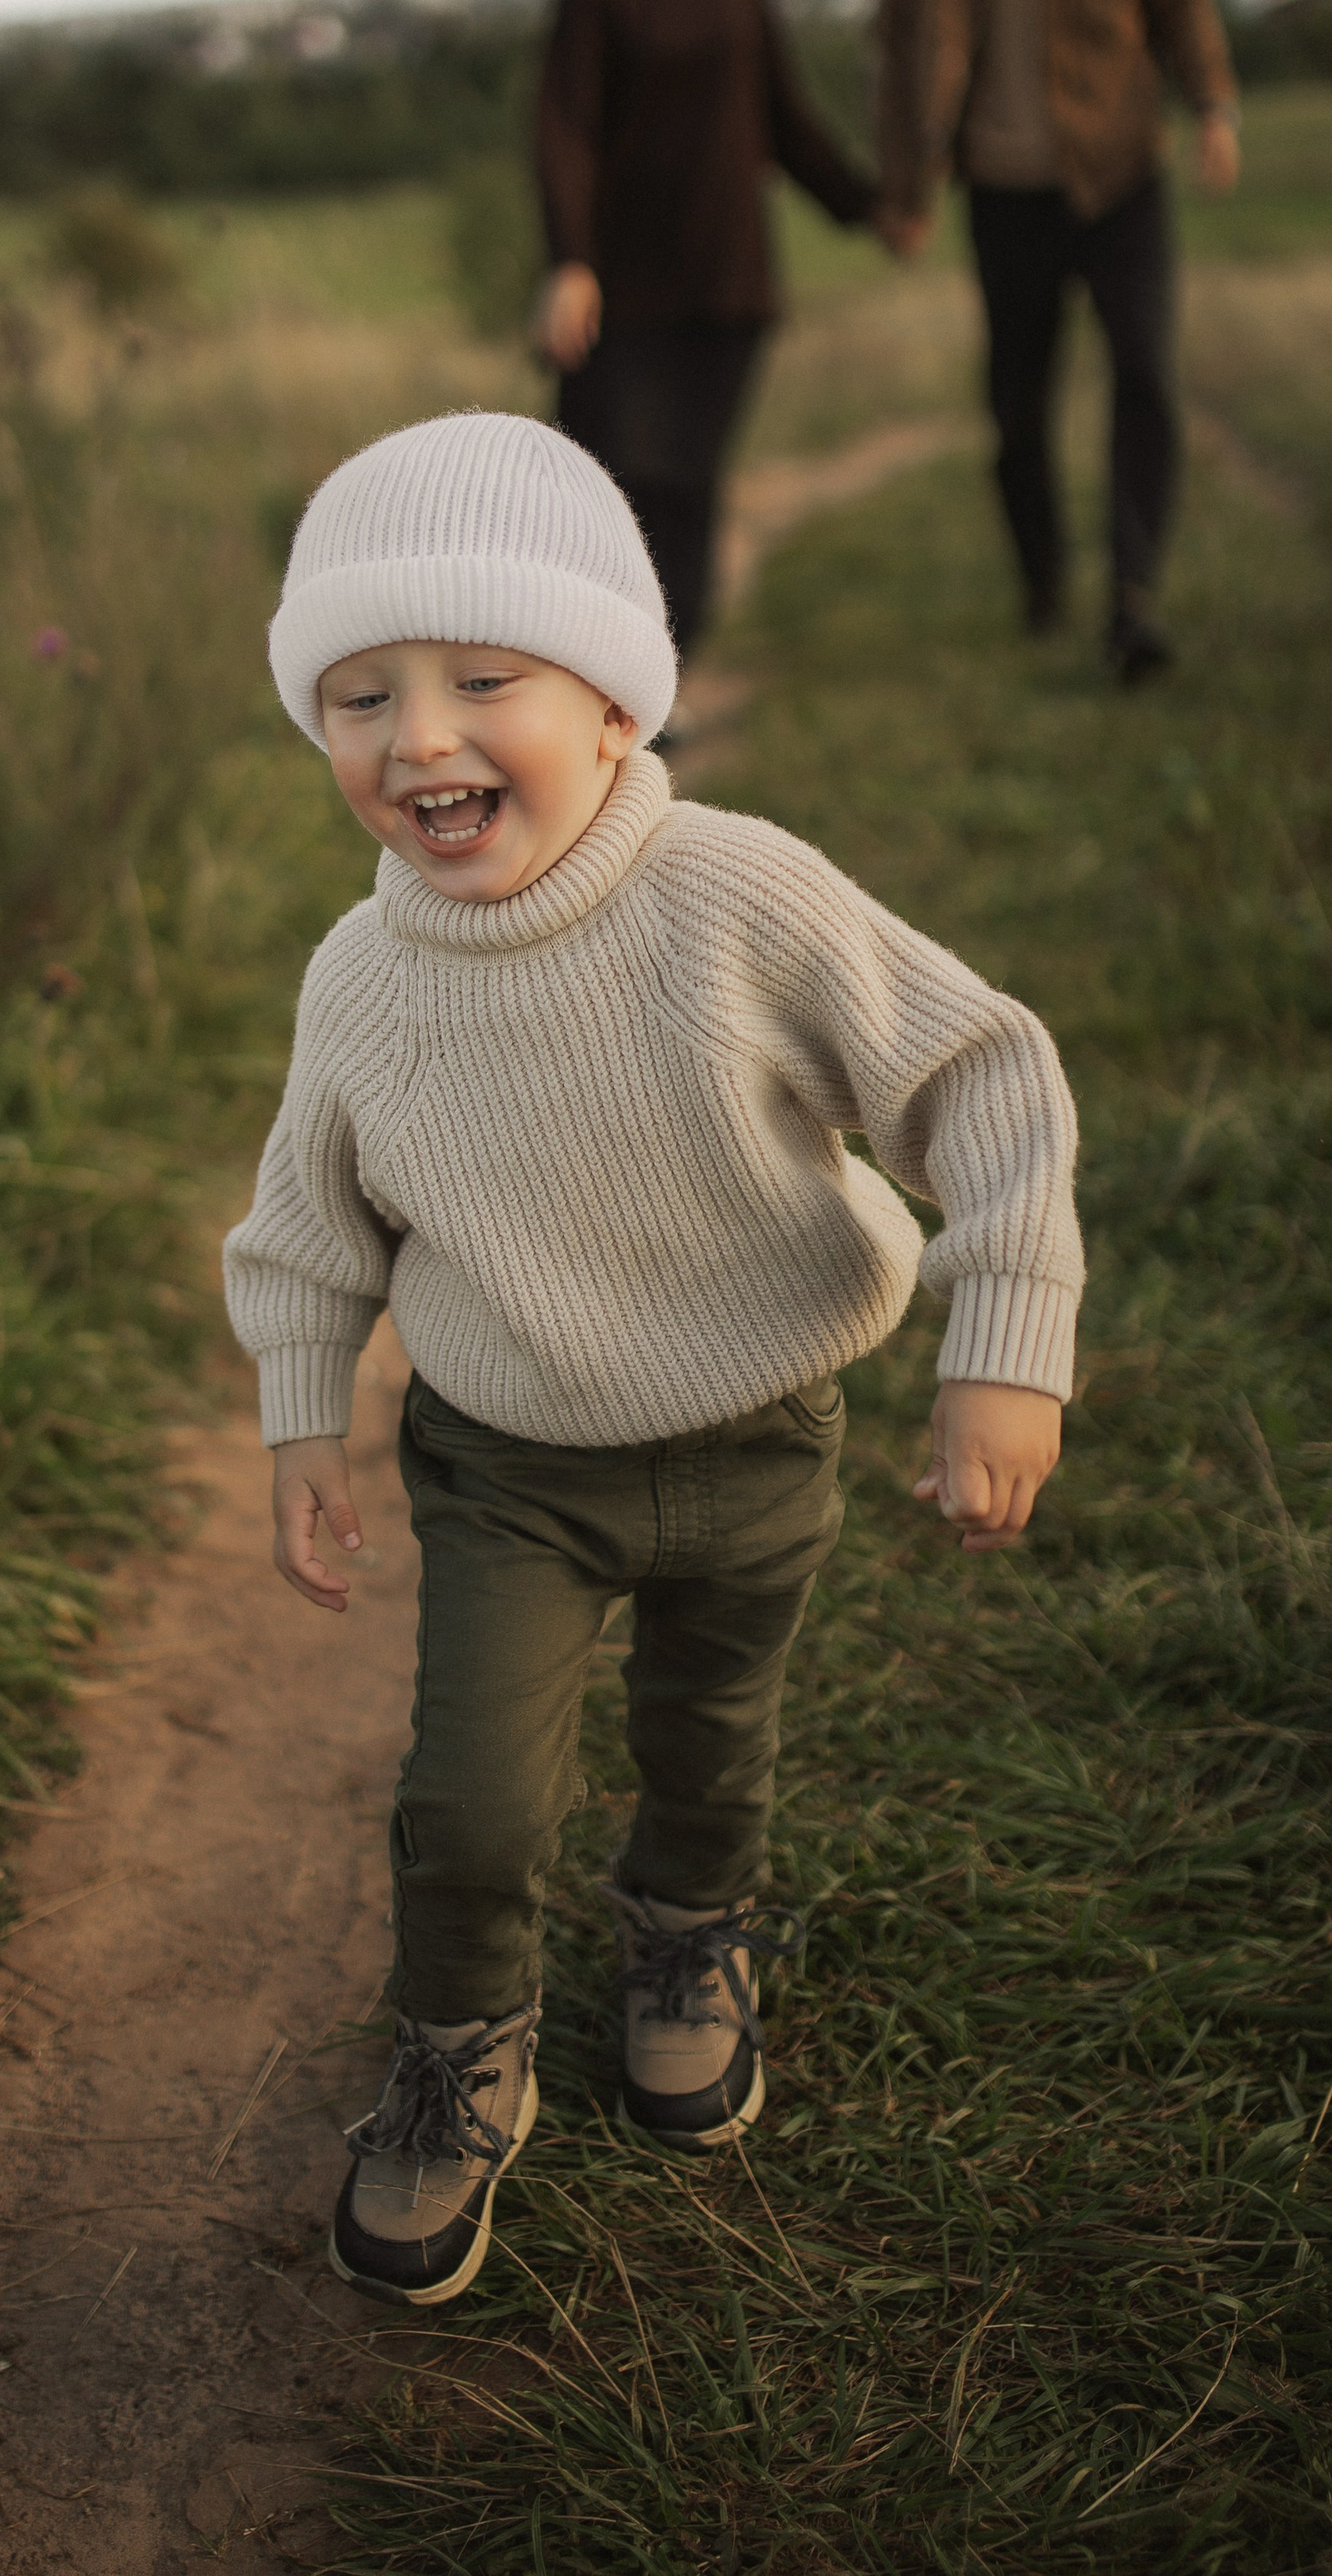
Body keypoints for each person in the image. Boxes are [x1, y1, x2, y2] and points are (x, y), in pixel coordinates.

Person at [224, 409, 1082, 2309]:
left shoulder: (738, 896)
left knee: (707, 1732)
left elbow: (977, 1074)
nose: (417, 735)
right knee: (468, 1798)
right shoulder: (359, 982)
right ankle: (458, 2047)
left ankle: (687, 1933)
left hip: (758, 1430)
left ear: (613, 706)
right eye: (358, 695)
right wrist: (302, 1412)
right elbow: (305, 1220)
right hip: (507, 1457)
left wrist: (999, 1333)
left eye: (482, 677)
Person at [877, 0, 1239, 681]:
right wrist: (907, 187)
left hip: (1119, 168)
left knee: (1146, 378)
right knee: (1016, 406)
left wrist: (1211, 103)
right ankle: (1043, 581)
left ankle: (1134, 600)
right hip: (1004, 185)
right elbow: (901, 50)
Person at [534, 0, 878, 710]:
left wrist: (867, 205)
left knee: (687, 488)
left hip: (728, 285)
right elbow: (563, 126)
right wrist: (569, 260)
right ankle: (587, 689)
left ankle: (656, 694)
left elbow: (786, 121)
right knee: (609, 490)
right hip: (623, 287)